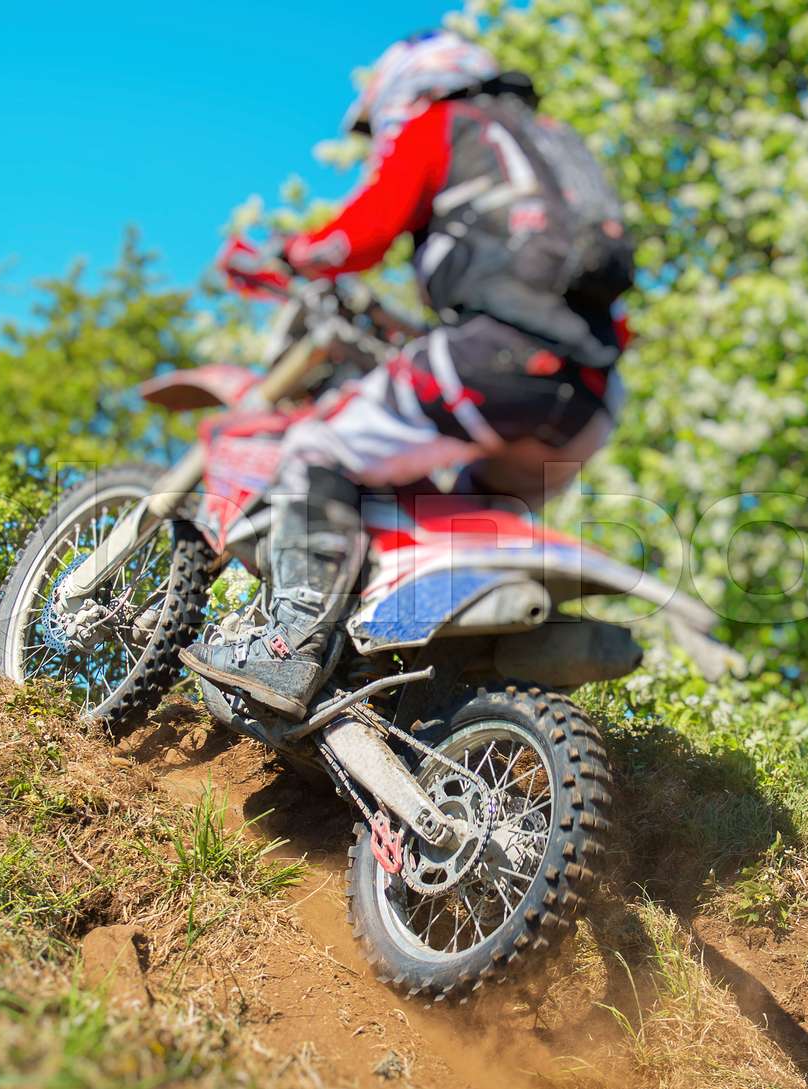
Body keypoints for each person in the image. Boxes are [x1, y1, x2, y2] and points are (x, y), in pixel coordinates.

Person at [181, 29, 636, 719]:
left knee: (315, 447)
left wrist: (288, 256)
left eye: (376, 124)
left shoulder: (440, 124)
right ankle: (431, 692)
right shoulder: (554, 142)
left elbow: (361, 235)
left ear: (410, 85)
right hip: (591, 394)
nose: (378, 135)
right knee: (452, 519)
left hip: (495, 361)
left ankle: (290, 645)